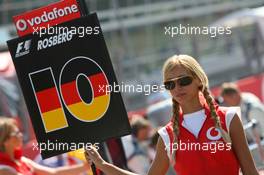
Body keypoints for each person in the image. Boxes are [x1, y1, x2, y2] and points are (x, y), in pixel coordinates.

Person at [84, 55, 259, 175]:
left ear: (199, 79)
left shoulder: (228, 118)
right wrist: (103, 165)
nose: (177, 88)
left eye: (183, 80)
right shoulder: (167, 136)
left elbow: (250, 171)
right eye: (170, 84)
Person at [0, 117, 90, 175]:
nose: (21, 135)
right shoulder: (4, 170)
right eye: (16, 133)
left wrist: (85, 166)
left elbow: (54, 172)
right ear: (5, 141)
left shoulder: (23, 161)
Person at [220, 82, 264, 161]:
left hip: (260, 145)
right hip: (251, 146)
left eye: (226, 100)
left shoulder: (252, 107)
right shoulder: (230, 107)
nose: (226, 103)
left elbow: (260, 131)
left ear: (234, 96)